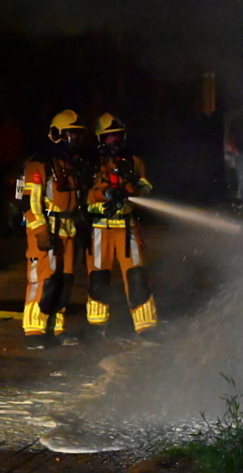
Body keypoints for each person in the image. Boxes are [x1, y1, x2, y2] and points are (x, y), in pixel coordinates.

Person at [85, 113, 158, 339]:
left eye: (117, 136)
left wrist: (133, 192)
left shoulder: (134, 162)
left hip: (127, 227)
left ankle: (146, 326)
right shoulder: (91, 164)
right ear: (100, 139)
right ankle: (97, 327)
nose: (114, 142)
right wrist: (104, 194)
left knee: (136, 275)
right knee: (98, 277)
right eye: (109, 138)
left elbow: (145, 186)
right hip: (99, 228)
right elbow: (81, 195)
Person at [21, 110, 84, 349]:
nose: (74, 140)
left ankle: (55, 328)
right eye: (70, 134)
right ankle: (34, 329)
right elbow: (30, 202)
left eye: (77, 135)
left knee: (64, 281)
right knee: (43, 279)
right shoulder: (39, 162)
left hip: (67, 228)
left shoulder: (69, 163)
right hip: (47, 227)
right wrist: (39, 230)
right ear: (56, 134)